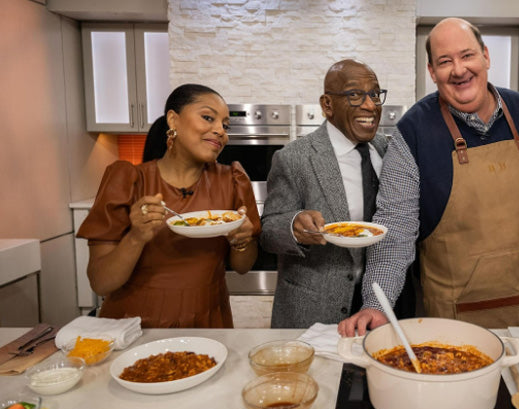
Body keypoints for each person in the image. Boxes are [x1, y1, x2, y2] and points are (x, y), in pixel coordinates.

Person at [338, 18, 519, 337]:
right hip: (455, 325)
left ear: (485, 56)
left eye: (467, 55)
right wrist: (376, 303)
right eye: (445, 61)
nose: (458, 70)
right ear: (432, 72)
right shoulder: (412, 133)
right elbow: (396, 226)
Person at [77, 83, 261, 328]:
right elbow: (101, 282)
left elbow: (243, 267)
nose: (220, 131)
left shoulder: (233, 181)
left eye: (225, 126)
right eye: (208, 118)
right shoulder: (127, 180)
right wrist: (136, 236)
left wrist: (242, 240)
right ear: (173, 120)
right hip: (134, 325)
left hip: (208, 321)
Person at [261, 59, 414, 328]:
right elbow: (268, 231)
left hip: (379, 302)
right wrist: (293, 227)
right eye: (355, 95)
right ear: (327, 105)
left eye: (375, 94)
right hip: (316, 308)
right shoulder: (294, 158)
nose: (370, 106)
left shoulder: (387, 149)